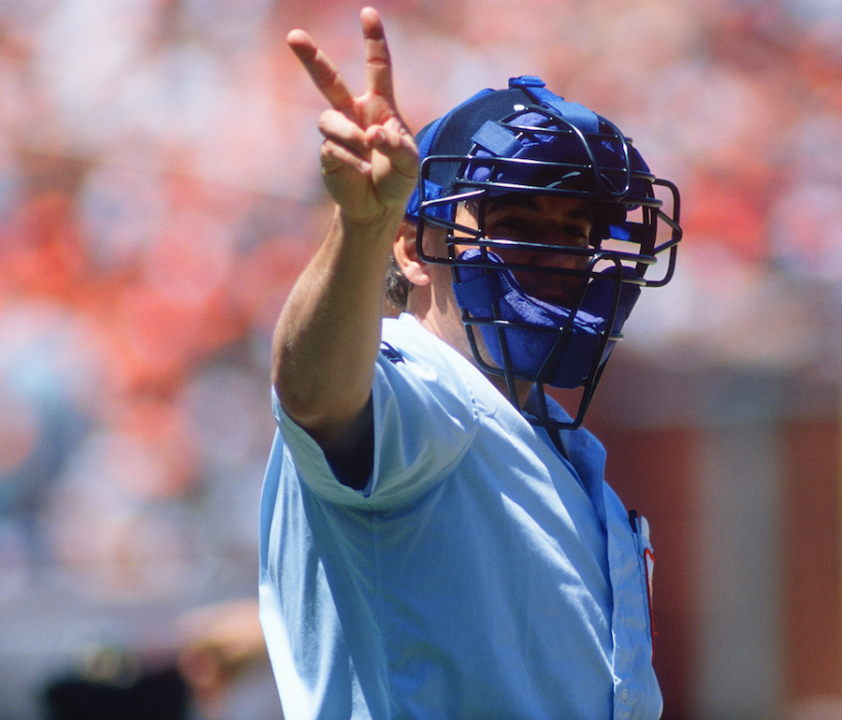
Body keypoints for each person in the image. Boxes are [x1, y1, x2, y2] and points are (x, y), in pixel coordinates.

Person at [258, 7, 682, 720]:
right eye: (516, 223)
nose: (558, 255)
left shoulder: (559, 446)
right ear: (412, 249)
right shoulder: (424, 394)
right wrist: (360, 227)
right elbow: (314, 393)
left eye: (576, 232)